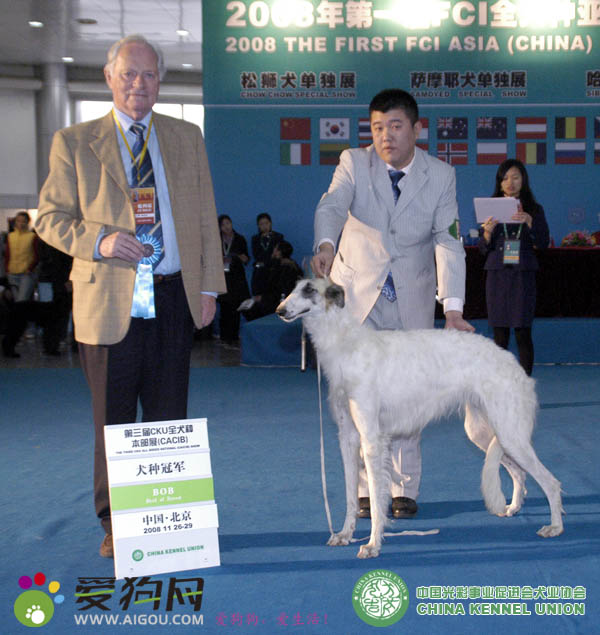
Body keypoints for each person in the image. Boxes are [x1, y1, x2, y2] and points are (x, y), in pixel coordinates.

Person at [35, 34, 225, 558]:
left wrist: (209, 285)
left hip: (173, 298)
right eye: (129, 74)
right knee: (112, 419)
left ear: (160, 80)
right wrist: (99, 240)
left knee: (168, 415)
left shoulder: (187, 136)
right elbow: (49, 218)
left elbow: (205, 215)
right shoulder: (74, 141)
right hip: (108, 302)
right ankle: (116, 522)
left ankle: (162, 521)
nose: (139, 84)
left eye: (149, 74)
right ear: (109, 78)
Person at [312, 88, 473, 520]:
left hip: (411, 297)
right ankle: (366, 489)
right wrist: (326, 244)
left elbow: (448, 240)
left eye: (396, 126)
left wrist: (452, 307)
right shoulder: (353, 162)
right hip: (356, 299)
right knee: (358, 395)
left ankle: (403, 488)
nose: (386, 136)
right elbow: (332, 205)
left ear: (417, 129)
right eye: (378, 127)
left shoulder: (441, 175)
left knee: (406, 394)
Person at [478, 159, 549, 376]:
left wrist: (530, 223)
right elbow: (482, 249)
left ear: (523, 180)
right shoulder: (490, 208)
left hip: (522, 275)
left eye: (516, 177)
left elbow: (543, 243)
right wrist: (487, 233)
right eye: (505, 178)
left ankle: (525, 382)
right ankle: (500, 382)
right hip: (497, 275)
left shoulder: (534, 209)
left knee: (522, 332)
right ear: (499, 182)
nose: (510, 182)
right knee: (500, 334)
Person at [242, 240, 303, 321]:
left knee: (250, 310)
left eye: (275, 249)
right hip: (278, 300)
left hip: (277, 303)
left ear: (279, 252)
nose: (273, 251)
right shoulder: (292, 266)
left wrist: (262, 298)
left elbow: (279, 291)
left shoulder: (283, 269)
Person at [217, 214, 250, 346]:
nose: (226, 227)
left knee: (236, 307)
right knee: (224, 307)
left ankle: (234, 337)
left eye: (228, 223)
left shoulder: (240, 239)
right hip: (222, 276)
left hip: (236, 278)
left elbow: (246, 258)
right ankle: (223, 337)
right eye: (223, 225)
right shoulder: (216, 239)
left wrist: (240, 257)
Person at [4, 211, 38, 302]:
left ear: (28, 222)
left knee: (22, 300)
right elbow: (7, 255)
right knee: (16, 301)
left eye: (23, 221)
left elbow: (37, 255)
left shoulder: (32, 236)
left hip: (26, 274)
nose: (21, 223)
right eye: (18, 221)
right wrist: (7, 270)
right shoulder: (10, 236)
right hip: (12, 273)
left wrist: (30, 268)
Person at [250, 212, 284, 295]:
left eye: (266, 223)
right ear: (258, 226)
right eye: (261, 224)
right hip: (260, 271)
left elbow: (279, 254)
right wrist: (270, 256)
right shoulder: (255, 239)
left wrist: (271, 257)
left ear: (270, 223)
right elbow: (256, 255)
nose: (264, 226)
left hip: (274, 269)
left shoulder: (278, 236)